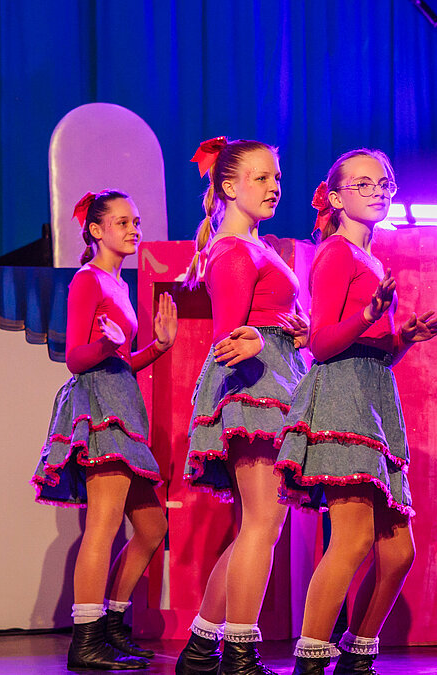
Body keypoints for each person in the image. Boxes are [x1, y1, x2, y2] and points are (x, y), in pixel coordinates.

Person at [274, 150, 437, 674]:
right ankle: (311, 660)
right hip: (343, 398)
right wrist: (369, 315)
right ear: (336, 197)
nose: (377, 192)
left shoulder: (372, 260)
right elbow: (322, 344)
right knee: (352, 540)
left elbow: (374, 352)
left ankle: (356, 656)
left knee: (398, 553)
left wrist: (403, 338)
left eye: (384, 183)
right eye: (364, 184)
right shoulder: (336, 254)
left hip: (375, 399)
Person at [176, 137, 308, 675]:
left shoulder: (258, 245)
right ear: (229, 187)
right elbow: (228, 337)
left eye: (277, 177)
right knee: (261, 525)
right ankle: (238, 654)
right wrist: (254, 339)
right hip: (253, 390)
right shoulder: (233, 250)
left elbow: (261, 321)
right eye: (261, 177)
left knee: (258, 526)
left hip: (274, 382)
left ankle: (201, 649)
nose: (274, 186)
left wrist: (291, 332)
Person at [32, 191, 176, 670]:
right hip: (99, 408)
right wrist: (104, 345)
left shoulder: (118, 283)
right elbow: (77, 358)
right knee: (104, 524)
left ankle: (111, 625)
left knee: (152, 527)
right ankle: (86, 640)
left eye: (136, 221)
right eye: (122, 222)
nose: (134, 229)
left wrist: (157, 347)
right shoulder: (87, 280)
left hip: (121, 402)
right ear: (96, 231)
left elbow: (120, 363)